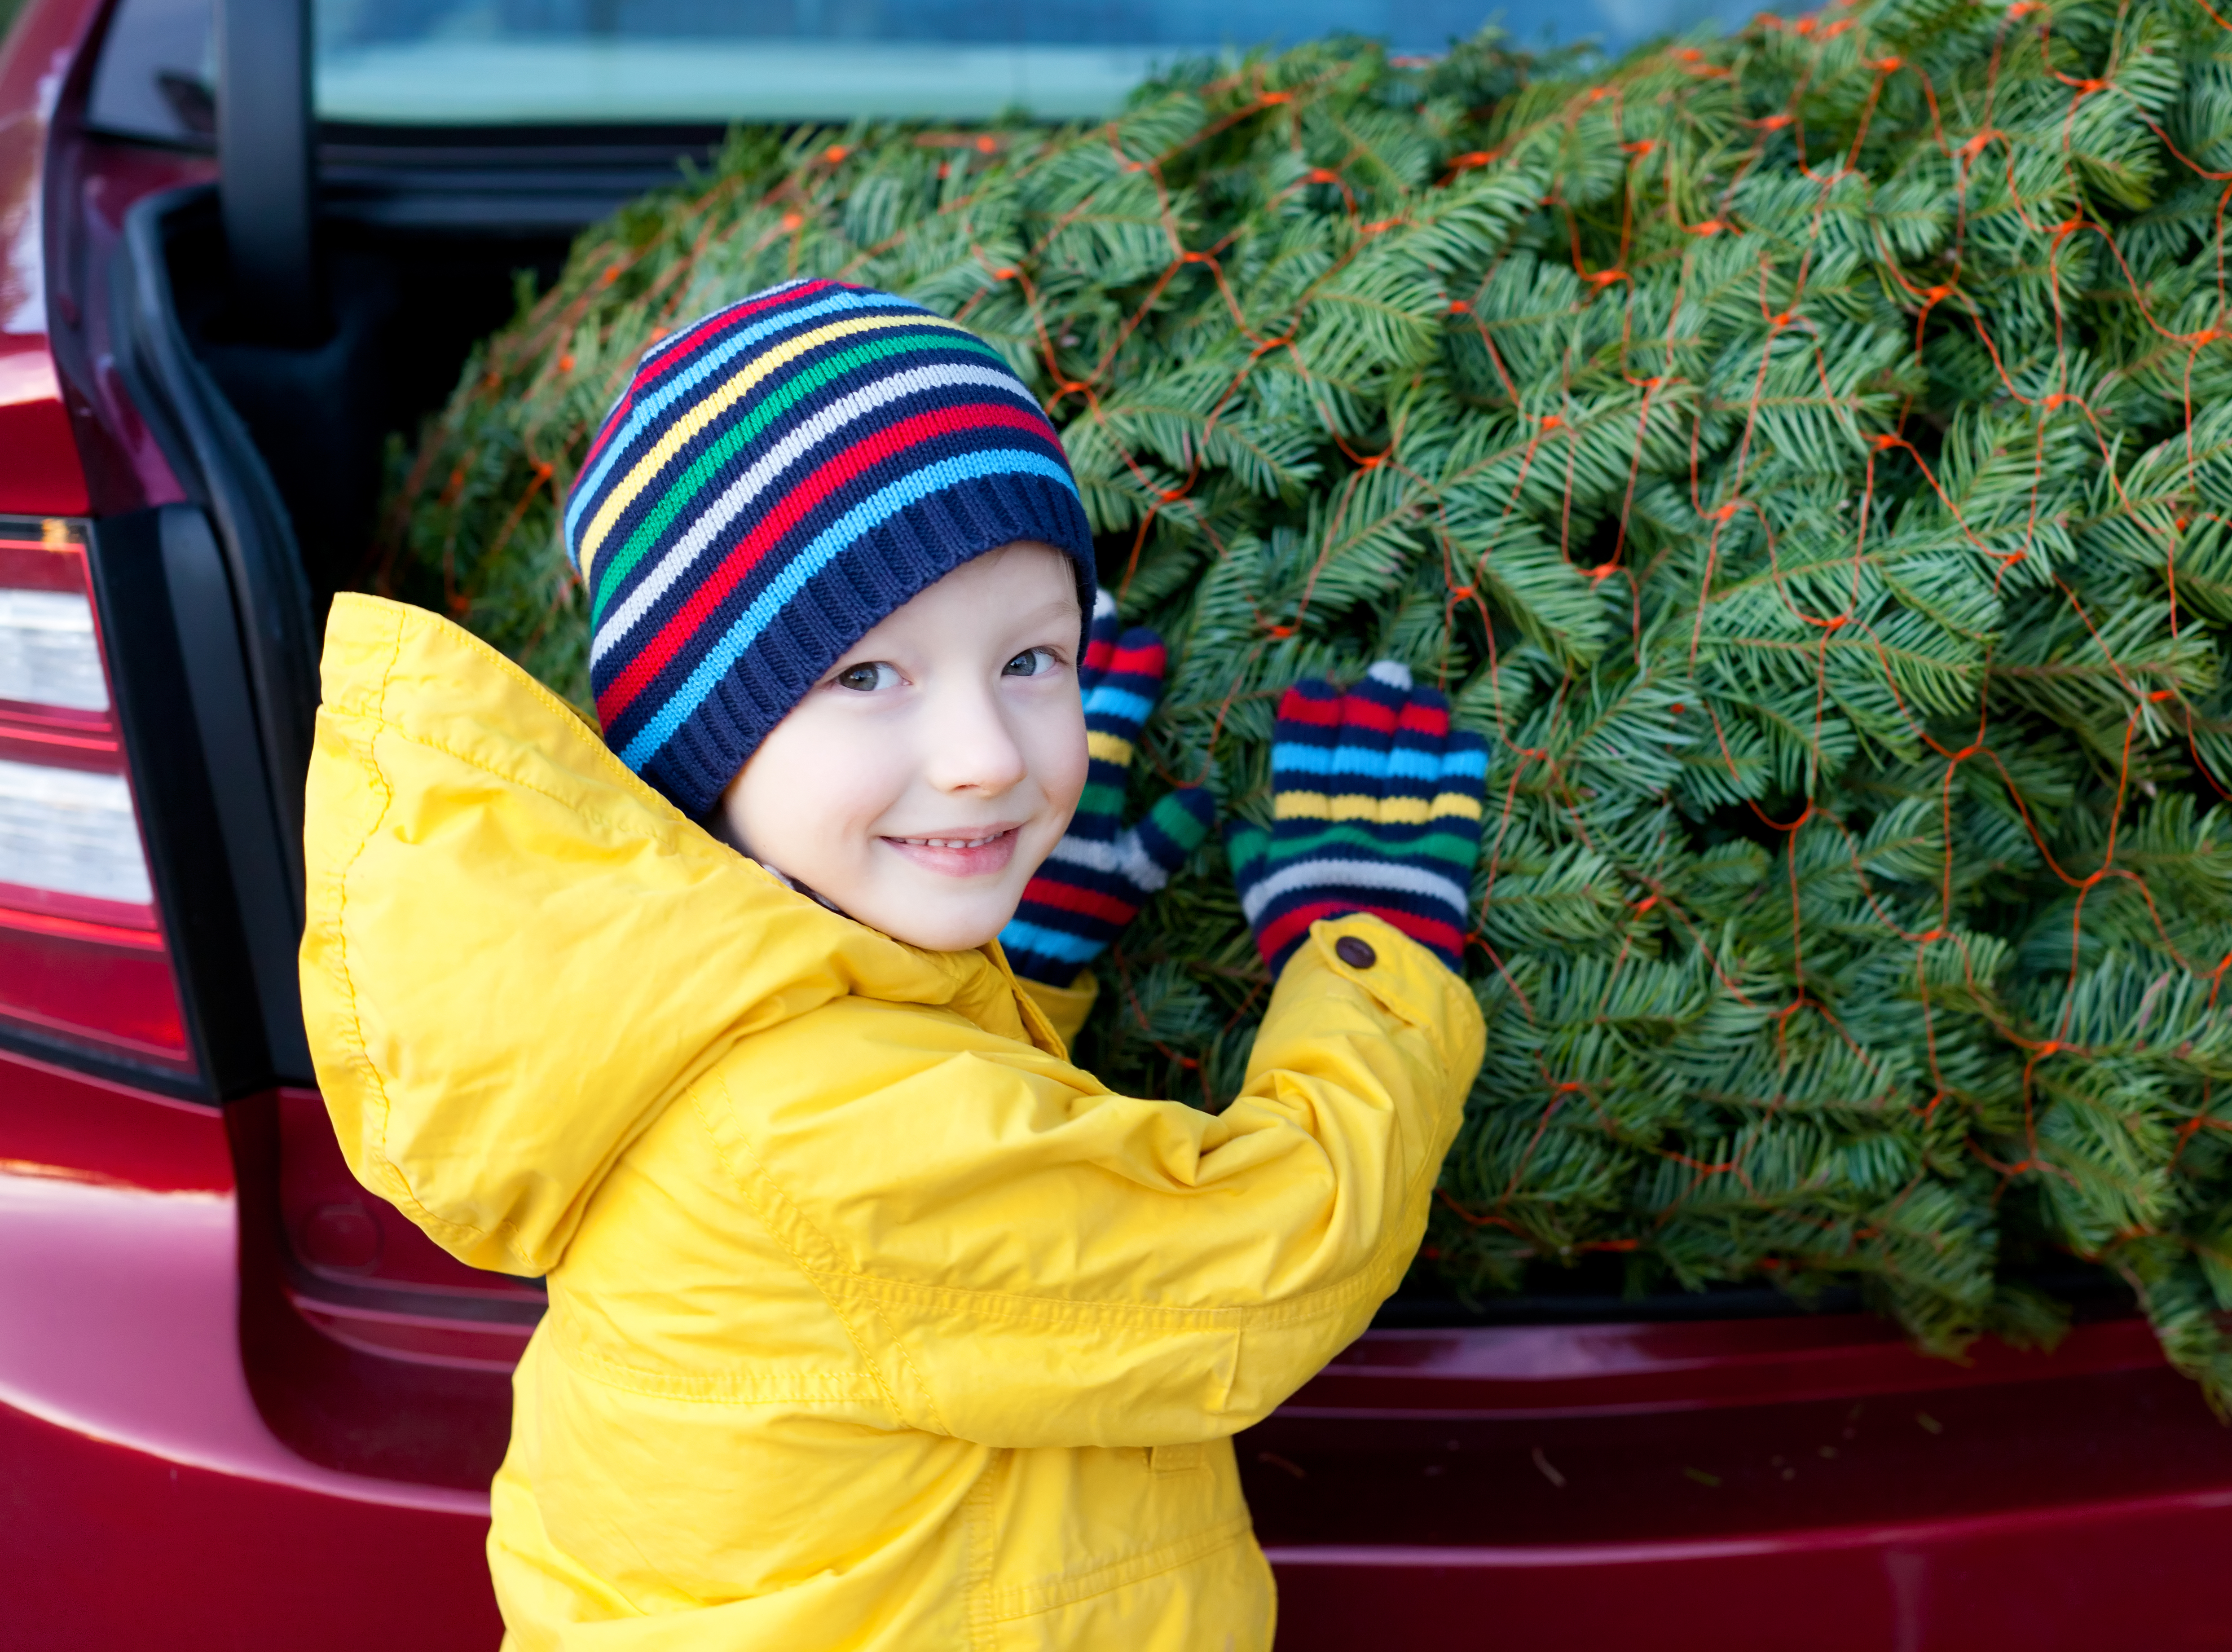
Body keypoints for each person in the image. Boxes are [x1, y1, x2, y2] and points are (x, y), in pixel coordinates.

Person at [299, 278, 1490, 1650]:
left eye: (1033, 659)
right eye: (869, 677)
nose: (987, 753)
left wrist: (1017, 967)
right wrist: (1374, 953)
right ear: (706, 744)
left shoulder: (713, 1005)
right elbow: (1264, 1268)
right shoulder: (817, 1132)